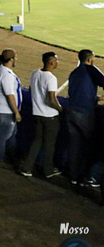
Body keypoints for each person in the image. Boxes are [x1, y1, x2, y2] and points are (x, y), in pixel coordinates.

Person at [65, 49, 104, 187]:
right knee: (89, 146)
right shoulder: (91, 69)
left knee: (74, 146)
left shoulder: (74, 72)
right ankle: (87, 177)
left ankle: (73, 177)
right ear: (89, 59)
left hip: (70, 112)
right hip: (84, 113)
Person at [22, 52, 64, 178]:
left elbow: (31, 90)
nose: (57, 62)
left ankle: (26, 168)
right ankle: (48, 170)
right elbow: (51, 99)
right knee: (49, 144)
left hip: (37, 114)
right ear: (51, 62)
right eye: (56, 60)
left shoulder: (35, 73)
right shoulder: (51, 78)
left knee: (37, 142)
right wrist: (61, 109)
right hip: (50, 116)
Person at [0, 49, 22, 168]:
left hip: (1, 108)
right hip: (6, 111)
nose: (16, 59)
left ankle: (11, 156)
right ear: (10, 60)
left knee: (11, 135)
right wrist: (16, 112)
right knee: (3, 136)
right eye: (15, 57)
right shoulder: (6, 75)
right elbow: (10, 96)